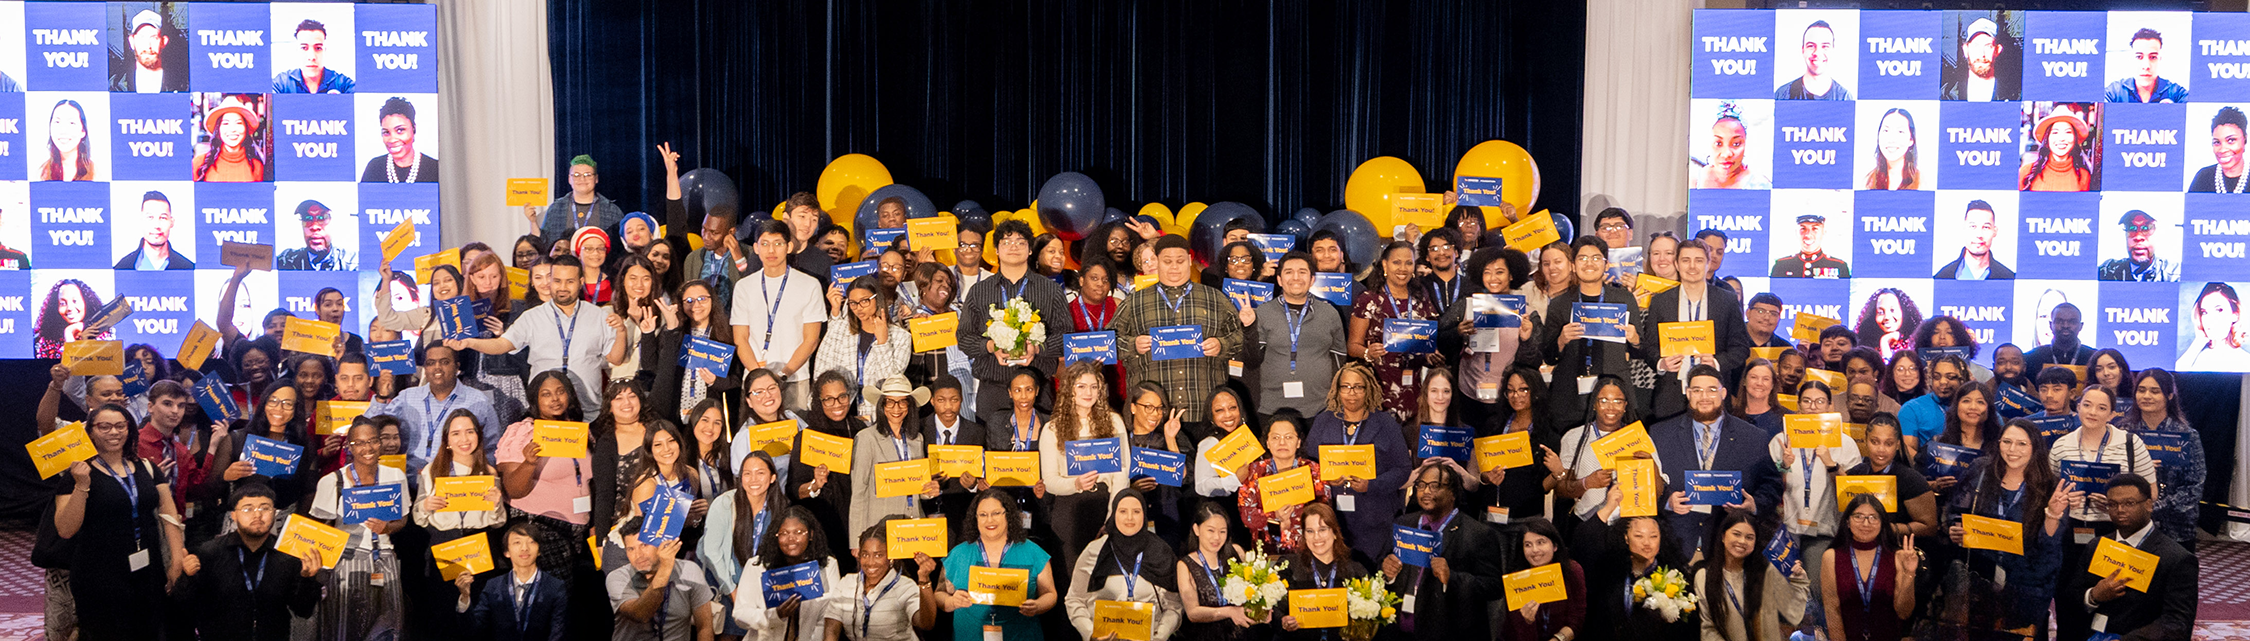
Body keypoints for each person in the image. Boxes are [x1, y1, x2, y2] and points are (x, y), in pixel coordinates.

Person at [53, 404, 184, 641]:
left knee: (149, 630)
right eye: (105, 426)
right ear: (90, 431)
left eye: (120, 426)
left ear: (129, 429)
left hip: (148, 568)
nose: (114, 432)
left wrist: (176, 561)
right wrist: (82, 485)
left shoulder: (147, 467)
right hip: (99, 574)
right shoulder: (77, 474)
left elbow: (169, 515)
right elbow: (65, 529)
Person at [1932, 420, 2072, 638]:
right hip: (1979, 579)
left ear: (2035, 448)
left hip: (2027, 585)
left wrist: (2053, 513)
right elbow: (1956, 511)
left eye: (2021, 444)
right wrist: (1954, 528)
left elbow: (2049, 545)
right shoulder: (1981, 471)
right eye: (2007, 442)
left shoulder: (2051, 487)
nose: (2012, 450)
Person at [455, 255, 625, 411]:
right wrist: (470, 342)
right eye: (557, 281)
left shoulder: (599, 315)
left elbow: (615, 358)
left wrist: (621, 332)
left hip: (587, 408)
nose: (563, 287)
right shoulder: (531, 317)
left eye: (570, 281)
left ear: (581, 282)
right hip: (545, 412)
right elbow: (502, 344)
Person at [1114, 234, 1243, 422]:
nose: (1174, 267)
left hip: (1204, 409)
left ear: (1190, 261)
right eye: (1167, 261)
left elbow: (1240, 338)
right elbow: (1108, 344)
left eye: (1180, 261)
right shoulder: (1135, 302)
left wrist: (1222, 345)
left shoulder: (1216, 299)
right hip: (1152, 415)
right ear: (1157, 261)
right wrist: (1133, 344)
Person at [171, 484, 323, 641]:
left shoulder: (288, 555)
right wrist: (187, 577)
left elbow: (303, 611)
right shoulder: (210, 552)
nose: (257, 515)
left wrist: (307, 579)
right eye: (247, 509)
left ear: (275, 513)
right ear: (233, 515)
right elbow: (182, 607)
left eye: (265, 508)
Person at [1653, 365, 1780, 551]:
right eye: (1697, 390)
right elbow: (1646, 484)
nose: (1704, 397)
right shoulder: (1660, 434)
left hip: (1727, 547)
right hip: (1676, 544)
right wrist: (1667, 500)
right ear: (1688, 393)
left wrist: (1754, 505)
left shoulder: (1753, 437)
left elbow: (1772, 485)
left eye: (1712, 390)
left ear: (1724, 393)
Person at [2061, 474, 2198, 641]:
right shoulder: (2096, 546)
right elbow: (2071, 598)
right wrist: (2093, 595)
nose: (2120, 510)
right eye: (2113, 504)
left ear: (2148, 505)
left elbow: (2177, 624)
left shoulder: (2177, 559)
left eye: (2129, 503)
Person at [309, 417, 410, 640]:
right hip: (346, 561)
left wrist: (387, 528)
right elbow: (320, 530)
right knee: (345, 628)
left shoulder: (395, 476)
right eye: (360, 443)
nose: (368, 448)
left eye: (373, 441)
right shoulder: (332, 481)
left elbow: (402, 520)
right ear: (349, 446)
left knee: (389, 626)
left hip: (385, 559)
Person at [1381, 459, 1502, 641]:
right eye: (1421, 485)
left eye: (1435, 486)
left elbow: (1494, 587)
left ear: (1453, 492)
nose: (1426, 491)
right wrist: (1387, 572)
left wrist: (1452, 578)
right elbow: (1381, 566)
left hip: (1450, 633)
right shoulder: (1403, 523)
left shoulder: (1479, 534)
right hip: (1400, 632)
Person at [1305, 362, 1411, 557]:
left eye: (1358, 387)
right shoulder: (1323, 421)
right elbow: (1309, 466)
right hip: (1331, 520)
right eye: (1345, 386)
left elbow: (1403, 469)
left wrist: (1372, 485)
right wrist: (1325, 478)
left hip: (1375, 517)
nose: (1351, 393)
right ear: (1337, 390)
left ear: (1368, 389)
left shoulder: (1385, 423)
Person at [728, 220, 835, 410]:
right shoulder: (744, 287)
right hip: (754, 381)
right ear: (756, 248)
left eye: (778, 243)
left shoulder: (809, 285)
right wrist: (760, 379)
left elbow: (811, 340)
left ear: (789, 246)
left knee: (794, 435)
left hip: (794, 379)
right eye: (765, 244)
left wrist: (783, 375)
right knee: (758, 438)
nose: (771, 250)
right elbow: (740, 339)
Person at [1640, 239, 1747, 421]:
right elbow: (1649, 347)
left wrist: (1717, 362)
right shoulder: (1660, 301)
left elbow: (1741, 348)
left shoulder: (1727, 301)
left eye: (1698, 260)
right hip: (1671, 395)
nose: (1692, 266)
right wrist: (1662, 363)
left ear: (1707, 264)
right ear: (1677, 264)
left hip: (1713, 394)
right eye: (1685, 260)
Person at [1542, 236, 1643, 428]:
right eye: (1582, 258)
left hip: (1613, 393)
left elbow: (1640, 350)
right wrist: (1561, 340)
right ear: (1573, 265)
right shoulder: (1559, 304)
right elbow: (1548, 356)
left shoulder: (1623, 299)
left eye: (1596, 258)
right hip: (1569, 395)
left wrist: (1634, 337)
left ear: (1606, 265)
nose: (1589, 263)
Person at [936, 490, 1060, 641]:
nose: (989, 520)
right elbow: (939, 593)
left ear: (1008, 515)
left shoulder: (1032, 552)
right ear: (975, 518)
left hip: (1021, 635)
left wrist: (1038, 606)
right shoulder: (958, 554)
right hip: (970, 634)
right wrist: (950, 602)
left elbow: (1050, 594)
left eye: (996, 513)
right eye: (983, 515)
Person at [1065, 489, 1186, 641]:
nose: (1129, 518)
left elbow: (1174, 605)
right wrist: (1090, 634)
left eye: (1136, 511)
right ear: (1114, 514)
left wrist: (1160, 636)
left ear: (1144, 515)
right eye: (1123, 511)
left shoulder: (1161, 552)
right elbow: (1074, 599)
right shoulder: (1094, 551)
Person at [1435, 247, 1538, 426]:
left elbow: (1534, 361)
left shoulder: (1526, 314)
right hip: (1468, 394)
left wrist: (1526, 339)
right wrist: (1457, 332)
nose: (1493, 278)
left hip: (1507, 397)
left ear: (1511, 275)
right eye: (1487, 272)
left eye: (1500, 272)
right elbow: (1440, 340)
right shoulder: (1467, 306)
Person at [1044, 360, 1128, 573]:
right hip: (1070, 509)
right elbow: (1050, 482)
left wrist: (1112, 517)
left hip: (1105, 503)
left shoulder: (1114, 422)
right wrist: (1077, 483)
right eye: (1081, 386)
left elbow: (1122, 474)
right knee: (1072, 578)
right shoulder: (1052, 429)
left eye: (1093, 386)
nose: (1088, 392)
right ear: (1068, 390)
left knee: (1105, 576)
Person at [366, 343, 501, 475]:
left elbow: (492, 448)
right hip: (408, 478)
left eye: (444, 362)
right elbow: (367, 429)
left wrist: (478, 478)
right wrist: (381, 398)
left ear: (457, 367)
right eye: (431, 363)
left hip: (454, 482)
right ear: (425, 368)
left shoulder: (478, 401)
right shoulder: (407, 397)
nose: (437, 368)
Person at [1246, 252, 1348, 419]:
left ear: (1312, 279)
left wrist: (1336, 399)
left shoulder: (1330, 313)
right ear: (1279, 280)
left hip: (1321, 408)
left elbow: (1339, 358)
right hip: (1272, 408)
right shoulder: (1263, 312)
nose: (1296, 277)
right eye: (1288, 272)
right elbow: (1252, 361)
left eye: (1302, 272)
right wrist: (1248, 328)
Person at [2050, 384, 2157, 540]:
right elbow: (2050, 489)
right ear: (2078, 407)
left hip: (2118, 527)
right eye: (2087, 405)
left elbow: (2152, 493)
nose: (2092, 412)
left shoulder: (2131, 443)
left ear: (2111, 415)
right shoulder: (2061, 445)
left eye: (2101, 408)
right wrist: (2063, 499)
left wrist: (2117, 504)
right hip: (2069, 526)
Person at [2120, 369, 2206, 552]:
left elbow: (2194, 487)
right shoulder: (2122, 432)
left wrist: (2153, 507)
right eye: (2141, 390)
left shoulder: (2187, 435)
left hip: (2177, 527)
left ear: (2169, 395)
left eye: (2155, 391)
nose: (2146, 396)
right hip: (2130, 523)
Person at [1695, 508, 1808, 641]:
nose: (1742, 541)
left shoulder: (1767, 571)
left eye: (1749, 537)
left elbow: (1794, 612)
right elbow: (1708, 628)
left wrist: (1798, 581)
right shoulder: (1704, 576)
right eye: (1736, 534)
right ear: (1723, 536)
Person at [1819, 494, 1919, 641]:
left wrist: (1909, 574)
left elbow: (1904, 612)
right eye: (1858, 516)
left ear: (1882, 523)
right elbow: (1832, 610)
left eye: (1873, 517)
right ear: (1847, 521)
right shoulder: (1831, 557)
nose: (1866, 524)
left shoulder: (1897, 556)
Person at [850, 376, 939, 537]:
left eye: (902, 402)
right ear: (882, 405)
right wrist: (857, 539)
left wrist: (928, 491)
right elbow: (858, 492)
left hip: (914, 523)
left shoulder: (917, 439)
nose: (896, 408)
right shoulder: (866, 438)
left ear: (909, 405)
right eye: (890, 402)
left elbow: (916, 485)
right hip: (879, 526)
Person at [823, 521, 940, 641]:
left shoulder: (904, 586)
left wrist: (924, 580)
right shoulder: (846, 583)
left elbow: (926, 623)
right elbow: (832, 627)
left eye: (878, 555)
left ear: (891, 558)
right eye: (865, 555)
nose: (870, 562)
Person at [207, 384, 316, 509]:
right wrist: (226, 476)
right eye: (273, 401)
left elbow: (309, 491)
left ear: (296, 409)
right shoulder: (237, 439)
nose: (279, 408)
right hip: (242, 520)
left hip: (285, 521)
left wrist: (296, 524)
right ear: (264, 403)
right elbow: (210, 489)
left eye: (287, 403)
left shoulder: (304, 444)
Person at [455, 522, 568, 641]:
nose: (524, 548)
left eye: (531, 542)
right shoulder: (493, 585)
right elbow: (473, 629)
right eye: (517, 542)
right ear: (506, 552)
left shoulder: (555, 586)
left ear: (539, 550)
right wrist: (465, 597)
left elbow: (558, 631)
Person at [791, 373, 861, 565]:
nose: (837, 404)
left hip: (858, 520)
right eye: (828, 399)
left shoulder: (861, 430)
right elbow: (795, 490)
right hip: (823, 523)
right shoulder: (806, 438)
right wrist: (814, 485)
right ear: (818, 401)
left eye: (842, 396)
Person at [611, 515, 717, 641]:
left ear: (660, 543)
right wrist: (665, 569)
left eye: (644, 545)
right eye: (631, 549)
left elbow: (705, 626)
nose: (638, 555)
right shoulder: (617, 578)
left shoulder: (689, 571)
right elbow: (641, 614)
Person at [817, 280, 913, 419]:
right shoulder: (840, 329)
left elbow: (889, 384)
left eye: (864, 301)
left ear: (877, 299)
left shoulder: (901, 337)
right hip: (841, 412)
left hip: (877, 415)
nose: (859, 308)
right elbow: (821, 374)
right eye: (853, 303)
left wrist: (883, 343)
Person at [1276, 503, 1365, 641]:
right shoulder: (1288, 566)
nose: (1316, 537)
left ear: (1335, 533)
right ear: (1304, 535)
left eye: (1322, 529)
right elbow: (1275, 608)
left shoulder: (1355, 570)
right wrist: (1283, 620)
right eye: (1310, 531)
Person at [1841, 415, 1939, 539]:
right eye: (1875, 442)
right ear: (1866, 440)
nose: (1881, 449)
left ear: (1897, 445)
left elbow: (1929, 527)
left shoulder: (1911, 480)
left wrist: (1889, 528)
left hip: (1898, 549)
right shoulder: (1856, 473)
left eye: (1888, 444)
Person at [1176, 501, 1254, 641]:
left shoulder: (1237, 552)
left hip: (1242, 633)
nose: (1217, 537)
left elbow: (1255, 590)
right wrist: (1229, 612)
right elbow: (1192, 613)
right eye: (1210, 531)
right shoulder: (1185, 565)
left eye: (1222, 531)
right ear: (1196, 529)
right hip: (1205, 636)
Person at [920, 375, 987, 526]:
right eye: (941, 400)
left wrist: (973, 485)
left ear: (962, 399)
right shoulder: (919, 430)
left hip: (963, 513)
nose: (948, 407)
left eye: (954, 400)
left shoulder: (977, 432)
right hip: (925, 511)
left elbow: (983, 477)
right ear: (932, 401)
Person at [533, 156, 624, 246]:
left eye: (588, 175)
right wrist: (533, 221)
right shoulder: (556, 209)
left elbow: (620, 246)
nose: (582, 179)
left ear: (596, 179)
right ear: (569, 179)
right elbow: (543, 243)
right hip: (563, 260)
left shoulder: (611, 211)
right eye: (576, 175)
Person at [1690, 101, 1772, 189]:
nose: (1726, 154)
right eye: (1718, 143)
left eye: (1736, 144)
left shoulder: (1760, 185)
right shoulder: (1693, 180)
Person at [1898, 355, 1970, 454]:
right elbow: (1908, 451)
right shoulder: (1911, 409)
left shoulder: (1974, 408)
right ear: (1930, 380)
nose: (1943, 382)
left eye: (1951, 377)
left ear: (1963, 380)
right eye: (1937, 377)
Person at [362, 96, 440, 183]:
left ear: (413, 129)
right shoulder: (374, 168)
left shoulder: (435, 169)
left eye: (400, 130)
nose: (392, 139)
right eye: (386, 132)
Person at [190, 95, 265, 181]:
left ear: (246, 128)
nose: (232, 129)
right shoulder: (199, 164)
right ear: (218, 129)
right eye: (226, 123)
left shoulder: (257, 167)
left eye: (238, 123)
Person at [1942, 17, 2018, 101]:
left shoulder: (2014, 94)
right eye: (1976, 46)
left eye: (1988, 46)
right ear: (1965, 50)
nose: (1982, 53)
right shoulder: (1946, 93)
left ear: (1997, 50)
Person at [110, 9, 187, 91]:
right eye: (141, 38)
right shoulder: (115, 85)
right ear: (132, 42)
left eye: (153, 38)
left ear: (163, 41)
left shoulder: (183, 83)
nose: (148, 45)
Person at [2105, 28, 2188, 103]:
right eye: (2139, 57)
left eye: (2153, 57)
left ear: (2160, 59)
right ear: (2131, 59)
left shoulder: (2176, 93)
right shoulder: (2114, 92)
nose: (2146, 66)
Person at [1935, 200, 2013, 279]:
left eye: (1986, 227)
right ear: (1964, 229)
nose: (1979, 235)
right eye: (1973, 227)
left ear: (1994, 231)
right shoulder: (1942, 277)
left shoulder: (2009, 278)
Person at [2179, 282, 2250, 369]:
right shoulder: (2194, 358)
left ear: (2235, 315)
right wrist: (2198, 342)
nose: (2210, 319)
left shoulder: (2245, 361)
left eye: (2219, 310)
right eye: (2204, 312)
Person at [115, 191, 193, 269]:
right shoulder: (122, 268)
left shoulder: (188, 268)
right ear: (141, 221)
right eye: (150, 217)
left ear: (171, 222)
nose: (156, 225)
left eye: (163, 218)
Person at [273, 19, 353, 93]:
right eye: (304, 48)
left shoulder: (343, 84)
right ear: (297, 50)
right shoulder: (281, 83)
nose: (311, 57)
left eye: (318, 48)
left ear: (324, 50)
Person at [1776, 20, 1851, 100]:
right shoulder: (1783, 94)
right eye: (1811, 46)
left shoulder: (1844, 96)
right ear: (1803, 50)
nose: (1817, 53)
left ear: (1833, 50)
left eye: (1825, 46)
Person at [2020, 112, 2094, 192]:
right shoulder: (2026, 172)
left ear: (2075, 138)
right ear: (2047, 138)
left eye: (2068, 132)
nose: (2061, 138)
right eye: (2055, 132)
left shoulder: (2084, 176)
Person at [277, 199, 358, 270]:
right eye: (307, 218)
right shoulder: (286, 261)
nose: (314, 226)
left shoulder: (353, 263)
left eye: (322, 217)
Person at [2098, 210, 2178, 281]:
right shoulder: (2108, 271)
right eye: (2132, 228)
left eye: (2146, 228)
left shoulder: (2175, 275)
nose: (2138, 237)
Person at [2024, 302, 2095, 376]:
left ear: (2081, 326)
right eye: (2059, 321)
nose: (2065, 326)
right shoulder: (2033, 357)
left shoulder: (2093, 357)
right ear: (2051, 325)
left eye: (2072, 322)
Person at [1861, 108, 1923, 190]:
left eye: (1900, 132)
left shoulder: (1922, 183)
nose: (1891, 139)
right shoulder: (1867, 182)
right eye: (1886, 130)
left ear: (1911, 140)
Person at [1770, 214, 1849, 278]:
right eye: (1803, 229)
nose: (1808, 235)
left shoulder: (1838, 266)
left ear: (1823, 232)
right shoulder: (1782, 265)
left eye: (1815, 229)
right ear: (1796, 232)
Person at [2189, 106, 2247, 193]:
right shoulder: (2204, 177)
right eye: (2217, 142)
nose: (2223, 149)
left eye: (2231, 140)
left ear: (2245, 140)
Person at [38, 99, 97, 181]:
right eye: (57, 122)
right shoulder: (39, 174)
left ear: (83, 131)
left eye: (71, 123)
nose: (63, 130)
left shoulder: (98, 175)